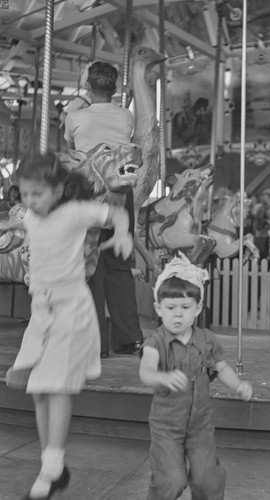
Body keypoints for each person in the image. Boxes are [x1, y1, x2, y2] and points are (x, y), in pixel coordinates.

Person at [1, 153, 133, 500]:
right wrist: (10, 225)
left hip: (71, 309)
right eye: (24, 194)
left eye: (36, 194)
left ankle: (53, 467)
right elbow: (28, 224)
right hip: (42, 311)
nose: (29, 202)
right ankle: (52, 464)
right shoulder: (32, 214)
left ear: (57, 190)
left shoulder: (75, 212)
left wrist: (122, 234)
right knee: (39, 390)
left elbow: (117, 213)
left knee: (56, 387)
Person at [139, 253, 253, 500]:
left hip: (200, 424)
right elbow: (146, 371)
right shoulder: (155, 341)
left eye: (185, 307)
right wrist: (162, 378)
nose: (177, 315)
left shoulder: (206, 339)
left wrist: (238, 385)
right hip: (166, 425)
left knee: (207, 478)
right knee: (170, 479)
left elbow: (221, 368)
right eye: (170, 308)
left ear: (198, 308)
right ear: (158, 308)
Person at [64, 60, 143, 357]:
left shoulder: (75, 117)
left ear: (88, 85)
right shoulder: (125, 117)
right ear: (114, 87)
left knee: (91, 264)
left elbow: (70, 146)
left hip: (89, 192)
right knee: (120, 263)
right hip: (121, 194)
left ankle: (94, 340)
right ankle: (129, 337)